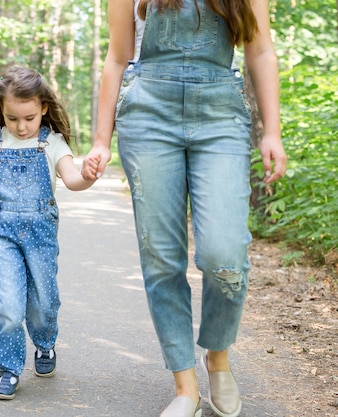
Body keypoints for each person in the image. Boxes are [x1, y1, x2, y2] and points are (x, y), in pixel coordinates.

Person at [82, 1, 287, 416]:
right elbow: (118, 56)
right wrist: (101, 140)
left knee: (224, 253)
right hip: (148, 113)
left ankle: (218, 356)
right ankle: (185, 386)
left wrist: (273, 131)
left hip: (221, 116)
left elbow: (260, 51)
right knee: (161, 257)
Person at [0, 66, 100, 400]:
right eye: (11, 119)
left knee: (43, 302)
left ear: (43, 108)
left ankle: (45, 344)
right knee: (7, 305)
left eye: (28, 118)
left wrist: (88, 176)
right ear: (1, 112)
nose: (21, 127)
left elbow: (71, 179)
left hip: (40, 234)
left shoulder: (51, 143)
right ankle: (8, 370)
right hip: (1, 235)